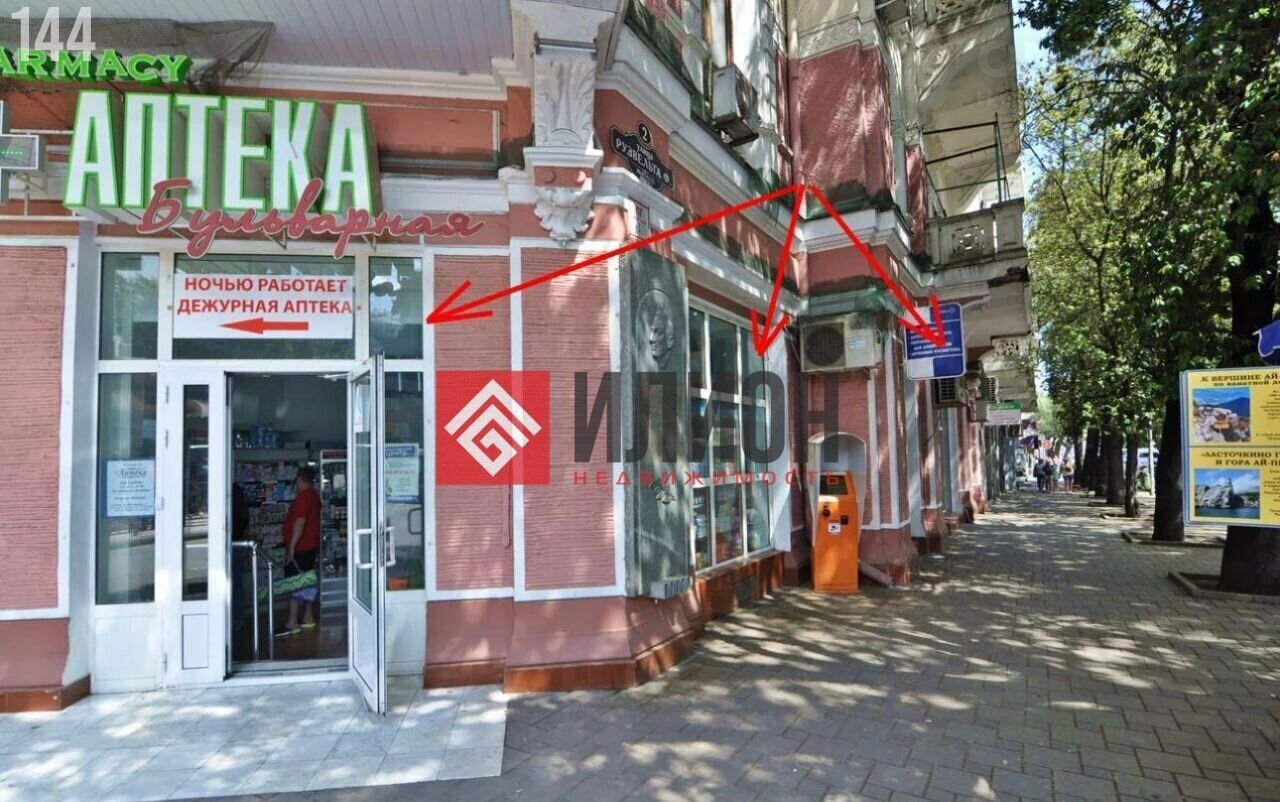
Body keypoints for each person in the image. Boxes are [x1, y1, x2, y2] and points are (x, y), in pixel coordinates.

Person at [279, 465, 322, 637]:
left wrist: (291, 547)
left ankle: (292, 622)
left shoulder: (303, 497)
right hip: (311, 546)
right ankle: (308, 617)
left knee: (294, 582)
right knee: (307, 581)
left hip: (301, 548)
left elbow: (300, 522)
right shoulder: (315, 496)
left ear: (299, 479)